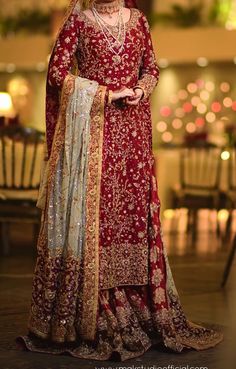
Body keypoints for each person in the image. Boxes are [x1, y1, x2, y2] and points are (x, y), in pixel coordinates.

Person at [16, 0, 223, 362]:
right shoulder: (78, 21)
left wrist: (142, 90)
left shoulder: (139, 21)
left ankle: (139, 302)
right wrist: (104, 94)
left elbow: (152, 68)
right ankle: (94, 311)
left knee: (132, 220)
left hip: (134, 137)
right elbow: (56, 74)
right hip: (93, 137)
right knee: (98, 219)